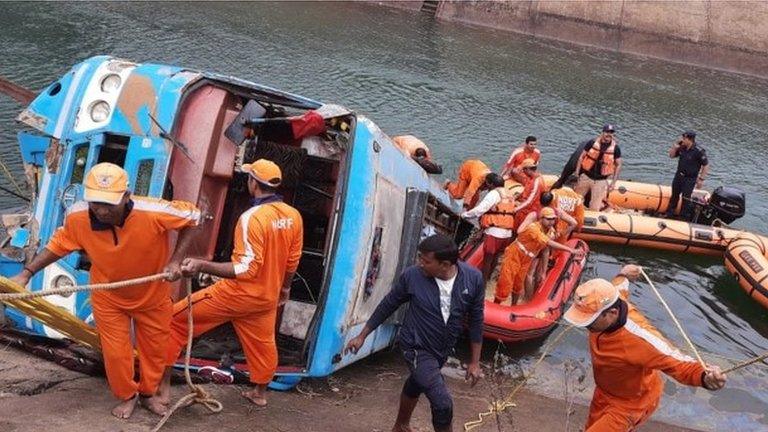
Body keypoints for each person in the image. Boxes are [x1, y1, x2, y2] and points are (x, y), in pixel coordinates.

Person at [10, 162, 201, 419]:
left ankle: (147, 394)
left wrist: (176, 259)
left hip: (153, 295)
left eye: (108, 204)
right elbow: (58, 245)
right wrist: (27, 273)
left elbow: (193, 218)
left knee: (155, 351)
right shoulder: (78, 216)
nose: (100, 210)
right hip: (108, 296)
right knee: (115, 353)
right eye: (94, 202)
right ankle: (127, 395)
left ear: (126, 196)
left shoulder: (154, 211)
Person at [159, 159, 303, 407]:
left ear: (253, 183)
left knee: (174, 322)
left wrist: (201, 264)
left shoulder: (251, 218)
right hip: (266, 297)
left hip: (237, 294)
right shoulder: (293, 216)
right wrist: (285, 288)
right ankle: (259, 393)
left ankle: (161, 388)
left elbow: (246, 268)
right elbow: (293, 259)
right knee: (263, 344)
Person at [345, 235, 484, 432]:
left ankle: (400, 426)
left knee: (418, 381)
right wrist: (362, 336)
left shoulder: (474, 279)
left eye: (426, 261)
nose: (420, 264)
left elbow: (477, 319)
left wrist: (475, 362)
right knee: (442, 403)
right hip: (416, 345)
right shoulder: (413, 276)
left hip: (442, 348)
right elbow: (388, 304)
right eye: (420, 258)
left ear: (445, 265)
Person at [563, 278, 727, 432]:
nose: (587, 326)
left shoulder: (640, 338)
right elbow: (619, 286)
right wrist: (625, 274)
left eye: (590, 321)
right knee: (592, 425)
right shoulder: (611, 302)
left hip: (630, 404)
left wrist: (705, 377)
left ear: (612, 313)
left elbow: (679, 362)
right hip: (604, 391)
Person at [496, 207, 584, 305]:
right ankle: (496, 304)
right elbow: (548, 242)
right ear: (541, 219)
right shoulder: (533, 228)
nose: (551, 222)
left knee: (519, 284)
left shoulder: (550, 231)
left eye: (553, 219)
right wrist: (570, 250)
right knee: (506, 281)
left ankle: (514, 306)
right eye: (548, 219)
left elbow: (546, 250)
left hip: (527, 258)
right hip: (515, 254)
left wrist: (543, 271)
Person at [461, 174, 513, 281]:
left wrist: (464, 215)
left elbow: (480, 210)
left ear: (491, 184)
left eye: (487, 183)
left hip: (494, 231)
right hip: (507, 233)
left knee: (487, 260)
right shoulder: (508, 194)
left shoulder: (494, 193)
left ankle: (482, 284)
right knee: (496, 257)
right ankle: (488, 278)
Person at [574, 124, 623, 210]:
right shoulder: (592, 143)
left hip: (600, 180)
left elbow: (618, 165)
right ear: (603, 132)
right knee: (576, 201)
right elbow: (581, 157)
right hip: (586, 176)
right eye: (607, 132)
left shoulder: (616, 148)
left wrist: (613, 183)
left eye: (611, 132)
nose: (609, 134)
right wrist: (577, 172)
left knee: (595, 207)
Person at [665, 130, 709, 220]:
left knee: (686, 199)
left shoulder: (698, 151)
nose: (682, 140)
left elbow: (706, 165)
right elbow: (671, 156)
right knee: (674, 196)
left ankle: (683, 217)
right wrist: (675, 147)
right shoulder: (682, 147)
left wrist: (701, 179)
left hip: (689, 179)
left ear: (690, 139)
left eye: (684, 138)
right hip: (679, 176)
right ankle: (669, 214)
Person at [547, 174, 585, 244]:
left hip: (551, 227)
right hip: (565, 230)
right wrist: (578, 229)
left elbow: (547, 209)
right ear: (574, 185)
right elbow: (580, 219)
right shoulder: (577, 199)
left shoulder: (554, 193)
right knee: (558, 251)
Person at [511, 158, 546, 230]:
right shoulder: (530, 178)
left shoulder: (537, 182)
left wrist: (515, 209)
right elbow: (526, 191)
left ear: (528, 169)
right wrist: (515, 197)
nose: (523, 172)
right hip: (525, 207)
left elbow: (530, 200)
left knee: (519, 229)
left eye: (524, 170)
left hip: (530, 210)